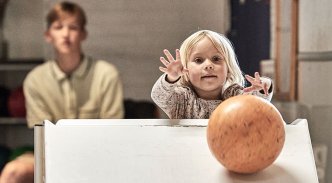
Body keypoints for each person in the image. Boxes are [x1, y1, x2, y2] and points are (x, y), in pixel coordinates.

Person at [0, 1, 124, 182]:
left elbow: (112, 131)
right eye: (58, 27)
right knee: (13, 172)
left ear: (83, 34)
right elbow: (41, 135)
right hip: (49, 155)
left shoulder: (106, 74)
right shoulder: (35, 79)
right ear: (48, 35)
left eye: (73, 27)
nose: (66, 34)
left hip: (98, 155)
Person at [151, 30, 273, 119]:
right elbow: (159, 96)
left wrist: (263, 85)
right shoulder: (181, 98)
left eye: (216, 59)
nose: (208, 65)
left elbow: (258, 104)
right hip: (187, 152)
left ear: (228, 69)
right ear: (185, 69)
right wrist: (171, 77)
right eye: (198, 60)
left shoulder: (235, 96)